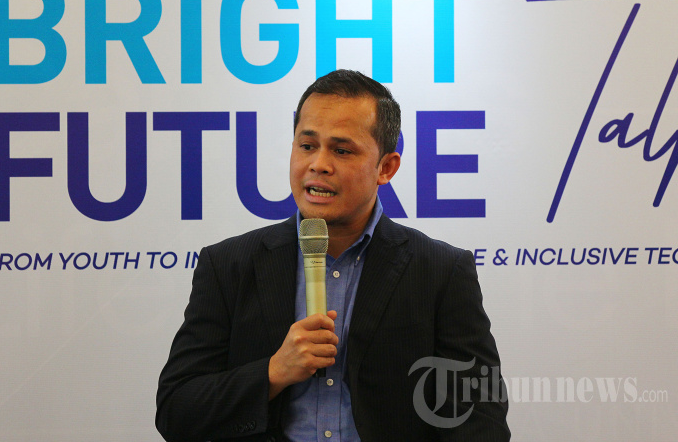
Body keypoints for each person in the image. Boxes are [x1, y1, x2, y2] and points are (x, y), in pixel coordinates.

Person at [156, 70, 510, 441]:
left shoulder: (441, 272)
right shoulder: (228, 265)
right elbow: (176, 411)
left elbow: (480, 420)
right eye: (307, 146)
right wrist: (273, 372)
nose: (319, 164)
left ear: (386, 167)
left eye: (341, 151)